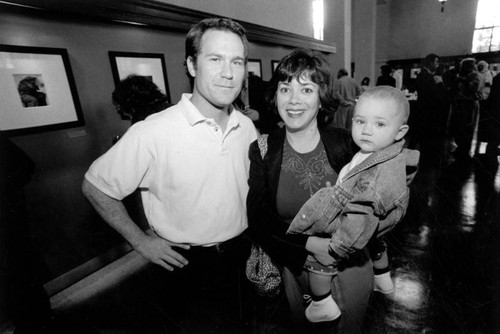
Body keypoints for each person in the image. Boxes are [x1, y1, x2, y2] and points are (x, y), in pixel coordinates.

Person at [82, 17, 258, 332]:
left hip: (239, 255)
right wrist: (140, 242)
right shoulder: (153, 131)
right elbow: (96, 187)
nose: (229, 73)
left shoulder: (245, 126)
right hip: (185, 262)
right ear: (191, 65)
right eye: (215, 59)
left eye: (237, 62)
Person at [246, 48, 373, 333]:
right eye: (284, 88)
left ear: (321, 98)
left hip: (348, 268)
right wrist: (310, 246)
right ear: (275, 95)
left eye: (306, 89)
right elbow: (258, 219)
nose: (293, 100)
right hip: (296, 269)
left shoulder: (346, 144)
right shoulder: (264, 149)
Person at [287, 86, 420, 323]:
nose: (367, 130)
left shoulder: (375, 177)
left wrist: (337, 247)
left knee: (317, 260)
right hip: (371, 229)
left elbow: (361, 214)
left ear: (400, 132)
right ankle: (382, 276)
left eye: (379, 124)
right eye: (360, 121)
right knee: (378, 241)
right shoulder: (380, 152)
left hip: (350, 227)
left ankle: (321, 303)